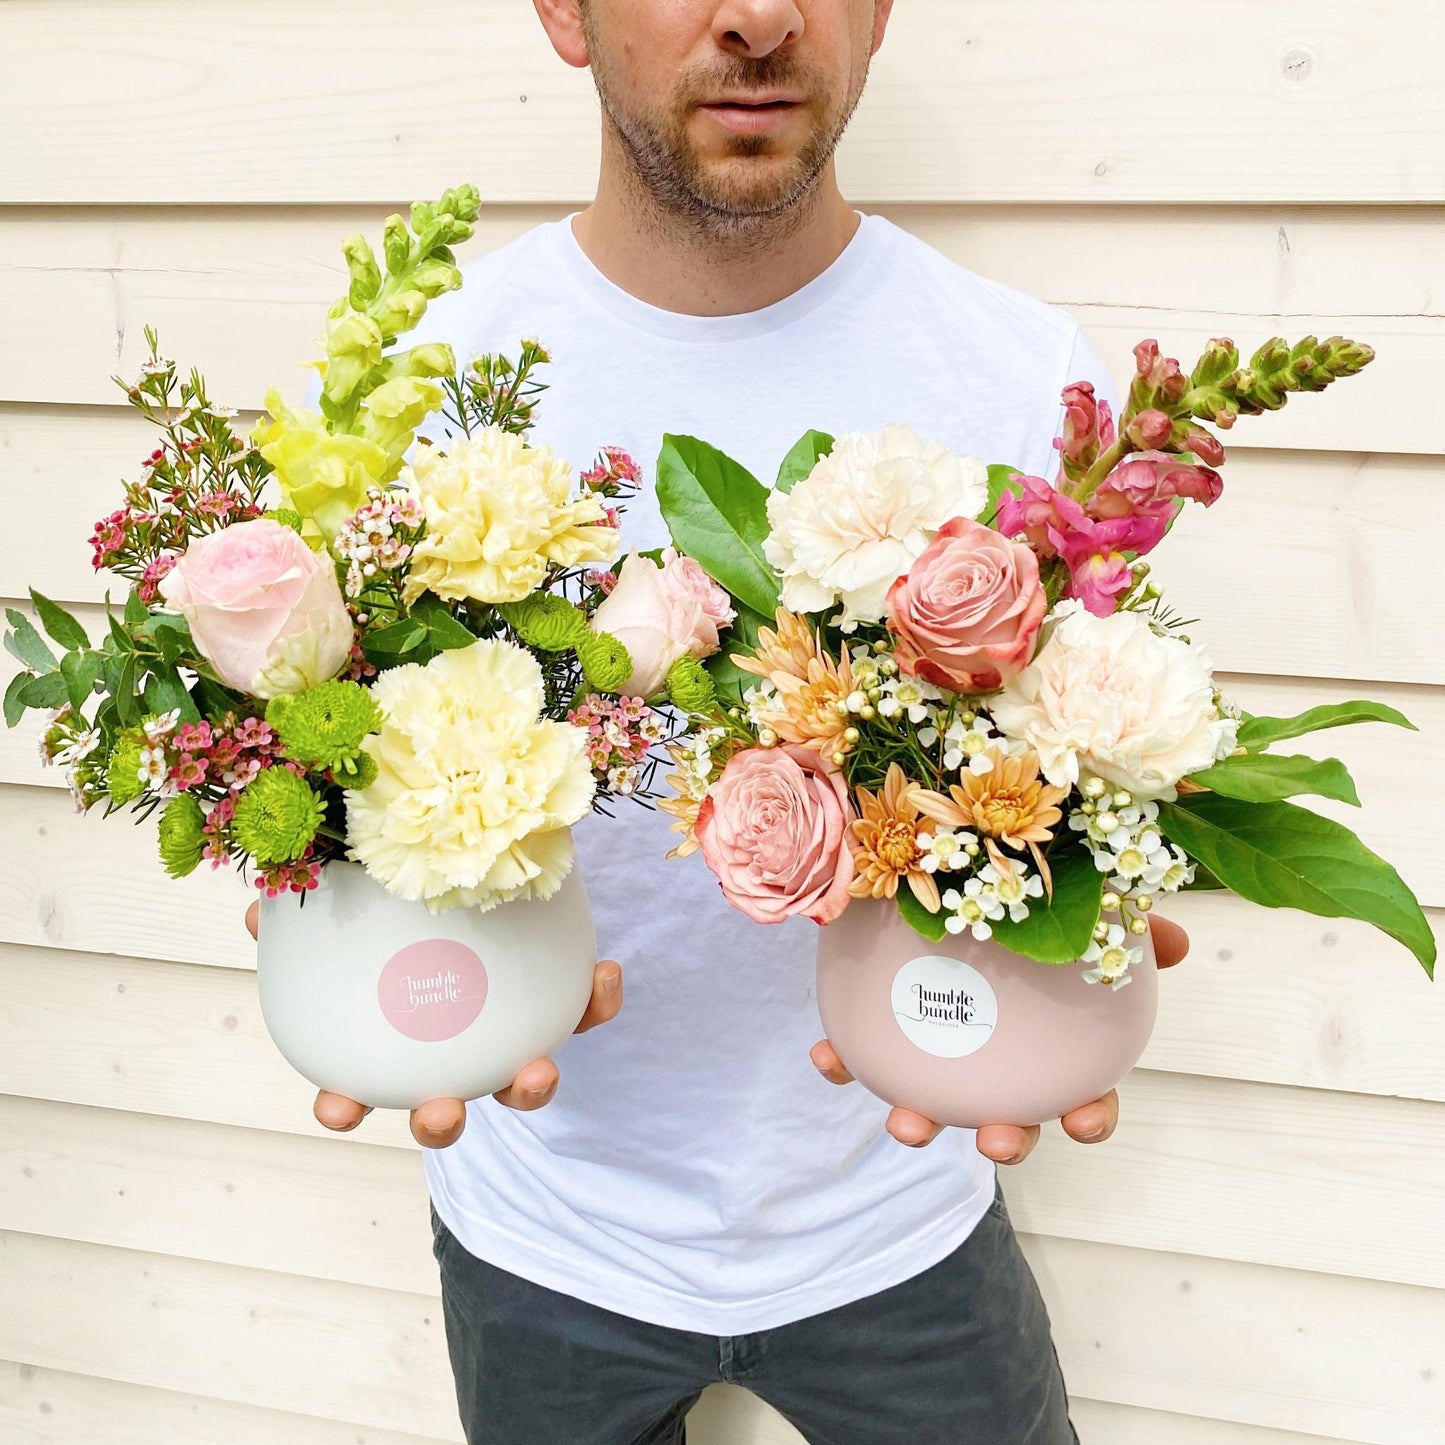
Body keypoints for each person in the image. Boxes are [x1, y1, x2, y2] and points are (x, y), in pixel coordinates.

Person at [247, 2, 1191, 1440]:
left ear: (878, 14)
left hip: (899, 1198)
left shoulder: (1015, 376)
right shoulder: (425, 381)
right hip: (540, 1222)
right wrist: (313, 893)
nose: (756, 17)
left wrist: (1100, 912)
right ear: (563, 13)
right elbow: (312, 759)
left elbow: (1083, 770)